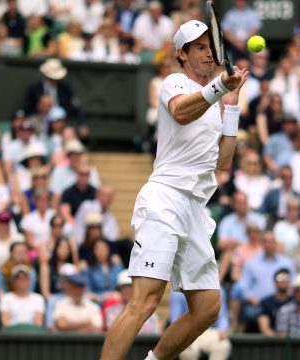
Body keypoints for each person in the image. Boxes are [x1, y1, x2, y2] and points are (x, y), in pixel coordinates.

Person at [100, 19, 248, 360]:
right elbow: (181, 113)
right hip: (165, 199)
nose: (208, 53)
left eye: (209, 47)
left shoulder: (213, 103)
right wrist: (219, 90)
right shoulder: (174, 83)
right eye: (198, 47)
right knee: (146, 301)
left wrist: (233, 104)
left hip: (195, 208)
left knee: (208, 307)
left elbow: (223, 162)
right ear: (181, 54)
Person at [170, 289, 231, 360]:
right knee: (188, 351)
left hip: (209, 332)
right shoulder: (177, 291)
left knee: (223, 345)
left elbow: (223, 316)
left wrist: (222, 329)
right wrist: (182, 337)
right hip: (188, 332)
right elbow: (175, 321)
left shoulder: (217, 287)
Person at [104, 270, 159, 334]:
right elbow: (114, 333)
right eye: (125, 287)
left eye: (131, 287)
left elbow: (156, 332)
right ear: (120, 290)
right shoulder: (111, 311)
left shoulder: (148, 310)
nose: (128, 291)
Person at [257, 268, 291, 336]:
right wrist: (278, 337)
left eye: (286, 278)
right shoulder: (266, 303)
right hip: (273, 342)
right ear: (274, 282)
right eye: (280, 278)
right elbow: (264, 328)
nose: (283, 281)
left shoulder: (295, 302)